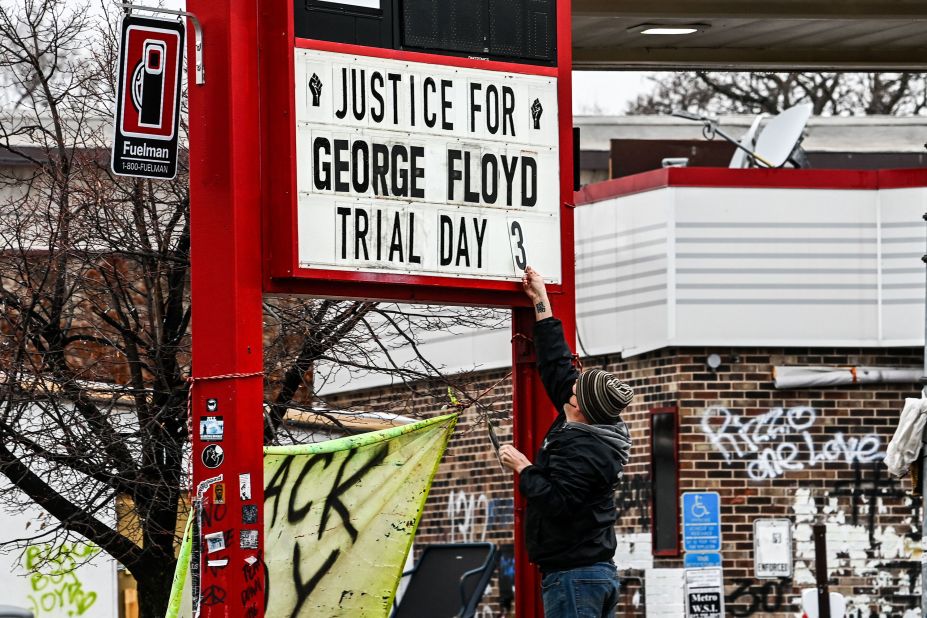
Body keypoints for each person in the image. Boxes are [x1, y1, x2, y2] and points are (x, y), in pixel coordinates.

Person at [499, 266, 633, 618]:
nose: (570, 384)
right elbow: (557, 364)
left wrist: (523, 467)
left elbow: (558, 501)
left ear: (580, 406)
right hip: (584, 575)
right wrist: (541, 302)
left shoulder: (587, 451)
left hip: (576, 578)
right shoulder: (584, 418)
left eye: (576, 388)